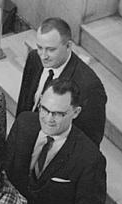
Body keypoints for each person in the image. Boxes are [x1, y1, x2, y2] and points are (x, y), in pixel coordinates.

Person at [16, 17, 107, 146]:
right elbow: (24, 102)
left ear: (68, 46)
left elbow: (90, 140)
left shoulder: (89, 87)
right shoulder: (34, 59)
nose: (43, 55)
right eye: (40, 47)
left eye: (51, 49)